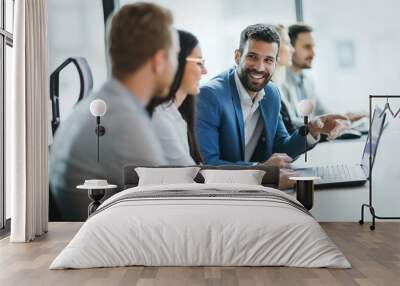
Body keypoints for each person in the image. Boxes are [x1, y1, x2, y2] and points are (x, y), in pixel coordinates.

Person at [49, 3, 179, 221]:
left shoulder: (102, 104)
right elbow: (168, 210)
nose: (177, 63)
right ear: (158, 62)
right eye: (175, 54)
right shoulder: (125, 123)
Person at [195, 24, 345, 174]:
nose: (260, 67)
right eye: (252, 57)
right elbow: (209, 165)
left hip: (257, 189)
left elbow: (282, 147)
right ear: (237, 56)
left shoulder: (271, 93)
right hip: (225, 193)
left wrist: (311, 130)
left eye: (268, 60)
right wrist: (261, 169)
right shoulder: (209, 96)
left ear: (276, 62)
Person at [283, 24, 364, 123]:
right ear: (290, 48)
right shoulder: (279, 83)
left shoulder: (308, 81)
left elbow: (322, 113)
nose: (313, 53)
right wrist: (317, 125)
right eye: (307, 47)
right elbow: (288, 123)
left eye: (312, 47)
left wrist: (346, 117)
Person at [149, 30, 207, 165]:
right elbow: (189, 176)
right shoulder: (160, 118)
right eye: (199, 62)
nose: (204, 71)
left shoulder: (176, 115)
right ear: (176, 62)